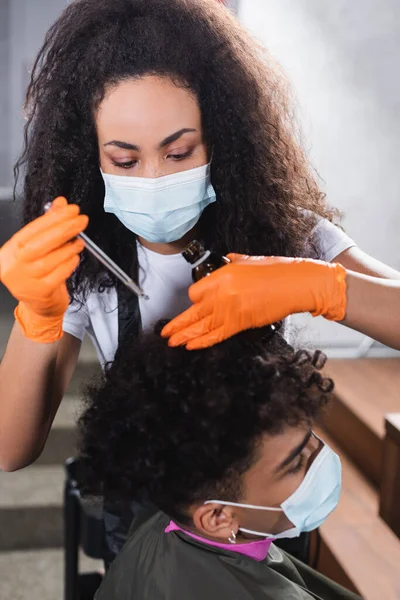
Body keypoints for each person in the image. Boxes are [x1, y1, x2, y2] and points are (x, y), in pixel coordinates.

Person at [0, 0, 400, 563]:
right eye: (125, 159)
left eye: (179, 150)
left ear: (222, 136)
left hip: (267, 506)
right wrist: (36, 318)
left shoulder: (282, 228)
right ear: (91, 158)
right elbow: (9, 450)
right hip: (148, 531)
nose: (156, 177)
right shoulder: (86, 272)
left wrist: (322, 287)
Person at [78, 324, 360, 600]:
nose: (320, 453)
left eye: (310, 435)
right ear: (217, 517)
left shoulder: (165, 520)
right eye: (296, 462)